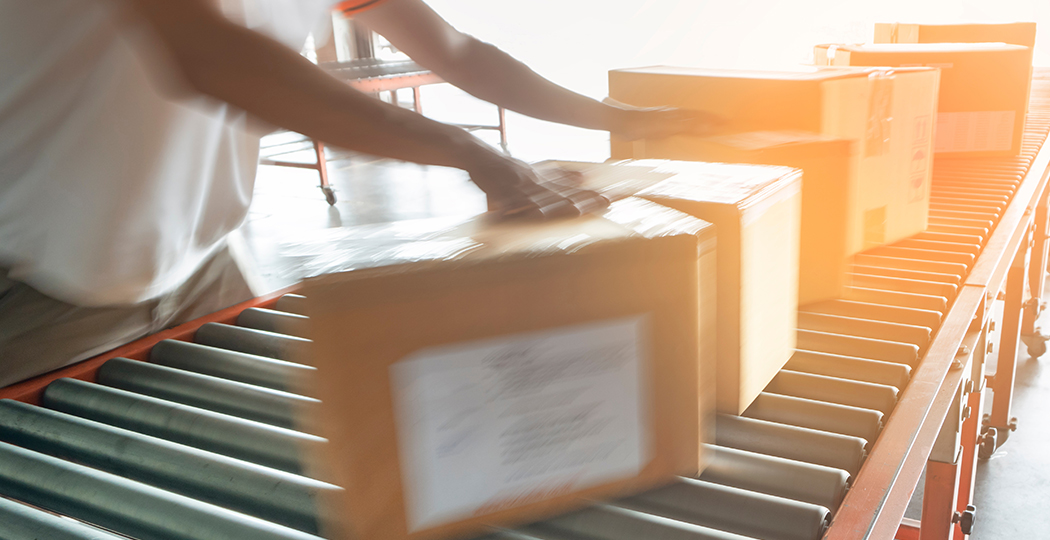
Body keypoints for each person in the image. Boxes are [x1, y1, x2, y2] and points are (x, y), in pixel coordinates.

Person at [0, 0, 716, 386]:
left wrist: (624, 119)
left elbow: (461, 53)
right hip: (36, 271)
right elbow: (213, 56)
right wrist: (468, 149)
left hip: (200, 257)